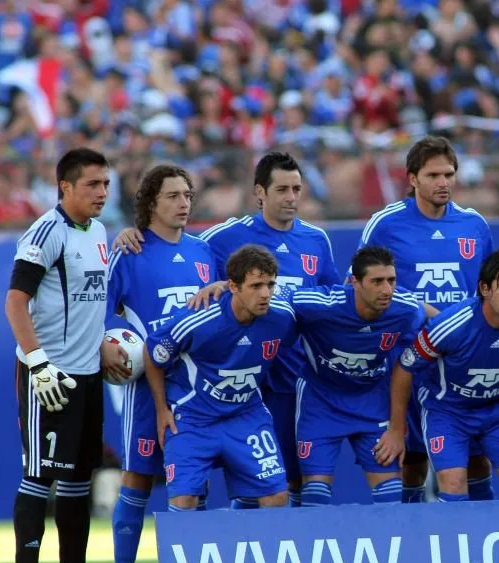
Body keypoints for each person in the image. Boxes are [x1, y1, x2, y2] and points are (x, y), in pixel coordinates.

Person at [116, 152, 340, 509]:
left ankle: (276, 544)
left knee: (284, 478)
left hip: (287, 374)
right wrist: (133, 232)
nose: (291, 197)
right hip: (220, 377)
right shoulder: (220, 238)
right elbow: (175, 249)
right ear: (260, 192)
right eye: (282, 189)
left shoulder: (317, 240)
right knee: (177, 480)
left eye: (297, 189)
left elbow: (330, 305)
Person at [6, 147, 128, 563]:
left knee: (79, 483)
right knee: (38, 479)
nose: (102, 192)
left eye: (106, 183)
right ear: (65, 187)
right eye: (93, 184)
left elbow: (86, 304)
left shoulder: (98, 232)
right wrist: (38, 365)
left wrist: (102, 346)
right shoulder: (45, 233)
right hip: (49, 377)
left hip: (88, 375)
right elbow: (16, 302)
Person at [356, 136, 496, 503]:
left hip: (461, 358)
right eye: (433, 175)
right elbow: (360, 286)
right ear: (413, 178)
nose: (443, 182)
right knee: (412, 456)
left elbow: (488, 288)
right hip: (407, 356)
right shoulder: (385, 224)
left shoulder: (473, 224)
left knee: (476, 458)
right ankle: (413, 523)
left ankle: (482, 528)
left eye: (449, 174)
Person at [105, 164, 215, 563]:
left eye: (187, 194)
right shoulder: (129, 252)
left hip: (197, 389)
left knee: (194, 484)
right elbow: (103, 313)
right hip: (146, 390)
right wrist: (113, 345)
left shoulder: (204, 251)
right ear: (151, 202)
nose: (183, 203)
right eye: (172, 195)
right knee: (137, 478)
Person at [381, 250, 499, 501]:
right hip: (447, 411)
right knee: (453, 483)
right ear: (485, 289)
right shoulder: (451, 325)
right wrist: (397, 428)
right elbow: (405, 367)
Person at [143, 245, 298, 511]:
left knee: (277, 498)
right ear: (233, 287)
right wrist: (161, 410)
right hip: (193, 418)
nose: (265, 294)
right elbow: (153, 352)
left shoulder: (283, 315)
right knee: (184, 502)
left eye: (270, 285)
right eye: (256, 286)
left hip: (246, 415)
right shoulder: (200, 318)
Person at [281, 247, 427, 505]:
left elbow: (435, 319)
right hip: (320, 401)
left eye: (391, 280)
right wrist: (226, 287)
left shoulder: (404, 308)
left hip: (372, 401)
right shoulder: (319, 304)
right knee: (315, 496)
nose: (387, 290)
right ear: (354, 282)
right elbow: (271, 298)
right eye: (377, 281)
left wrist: (396, 429)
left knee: (392, 498)